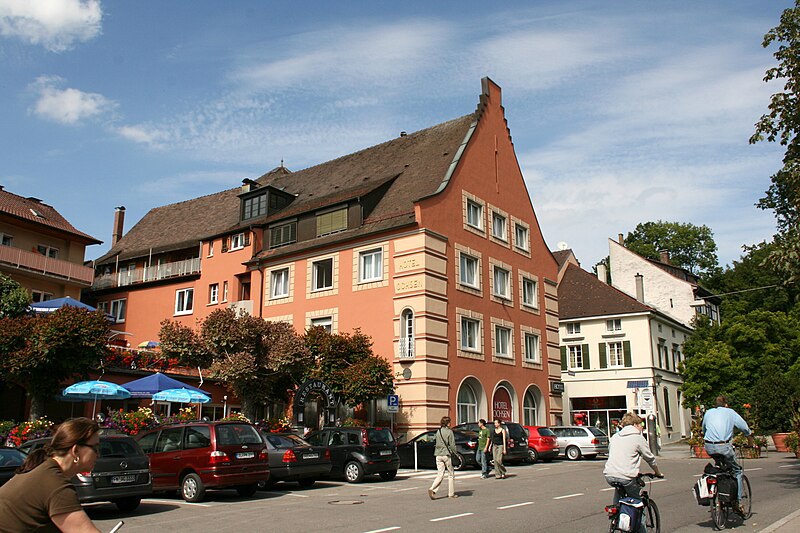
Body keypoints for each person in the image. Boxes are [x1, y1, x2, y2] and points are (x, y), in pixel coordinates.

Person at [0, 417, 103, 532]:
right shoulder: (55, 484)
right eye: (95, 448)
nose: (98, 454)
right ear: (75, 451)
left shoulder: (44, 469)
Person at [702, 395, 754, 514]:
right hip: (724, 446)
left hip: (709, 446)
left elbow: (704, 429)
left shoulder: (708, 412)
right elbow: (744, 428)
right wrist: (750, 441)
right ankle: (738, 501)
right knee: (737, 471)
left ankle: (717, 489)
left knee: (720, 467)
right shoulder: (731, 412)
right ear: (726, 405)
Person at [603, 412, 663, 506]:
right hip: (626, 476)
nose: (642, 427)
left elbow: (612, 453)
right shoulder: (638, 438)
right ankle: (640, 519)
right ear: (635, 425)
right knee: (637, 502)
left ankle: (616, 513)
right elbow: (649, 458)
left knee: (619, 489)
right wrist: (657, 472)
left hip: (609, 475)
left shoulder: (615, 437)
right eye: (641, 425)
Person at [428, 416, 458, 499]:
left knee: (440, 474)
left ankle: (432, 488)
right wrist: (455, 453)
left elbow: (436, 442)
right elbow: (452, 444)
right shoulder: (449, 432)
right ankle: (451, 494)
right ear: (448, 423)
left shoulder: (438, 431)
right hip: (446, 454)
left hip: (438, 454)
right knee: (451, 474)